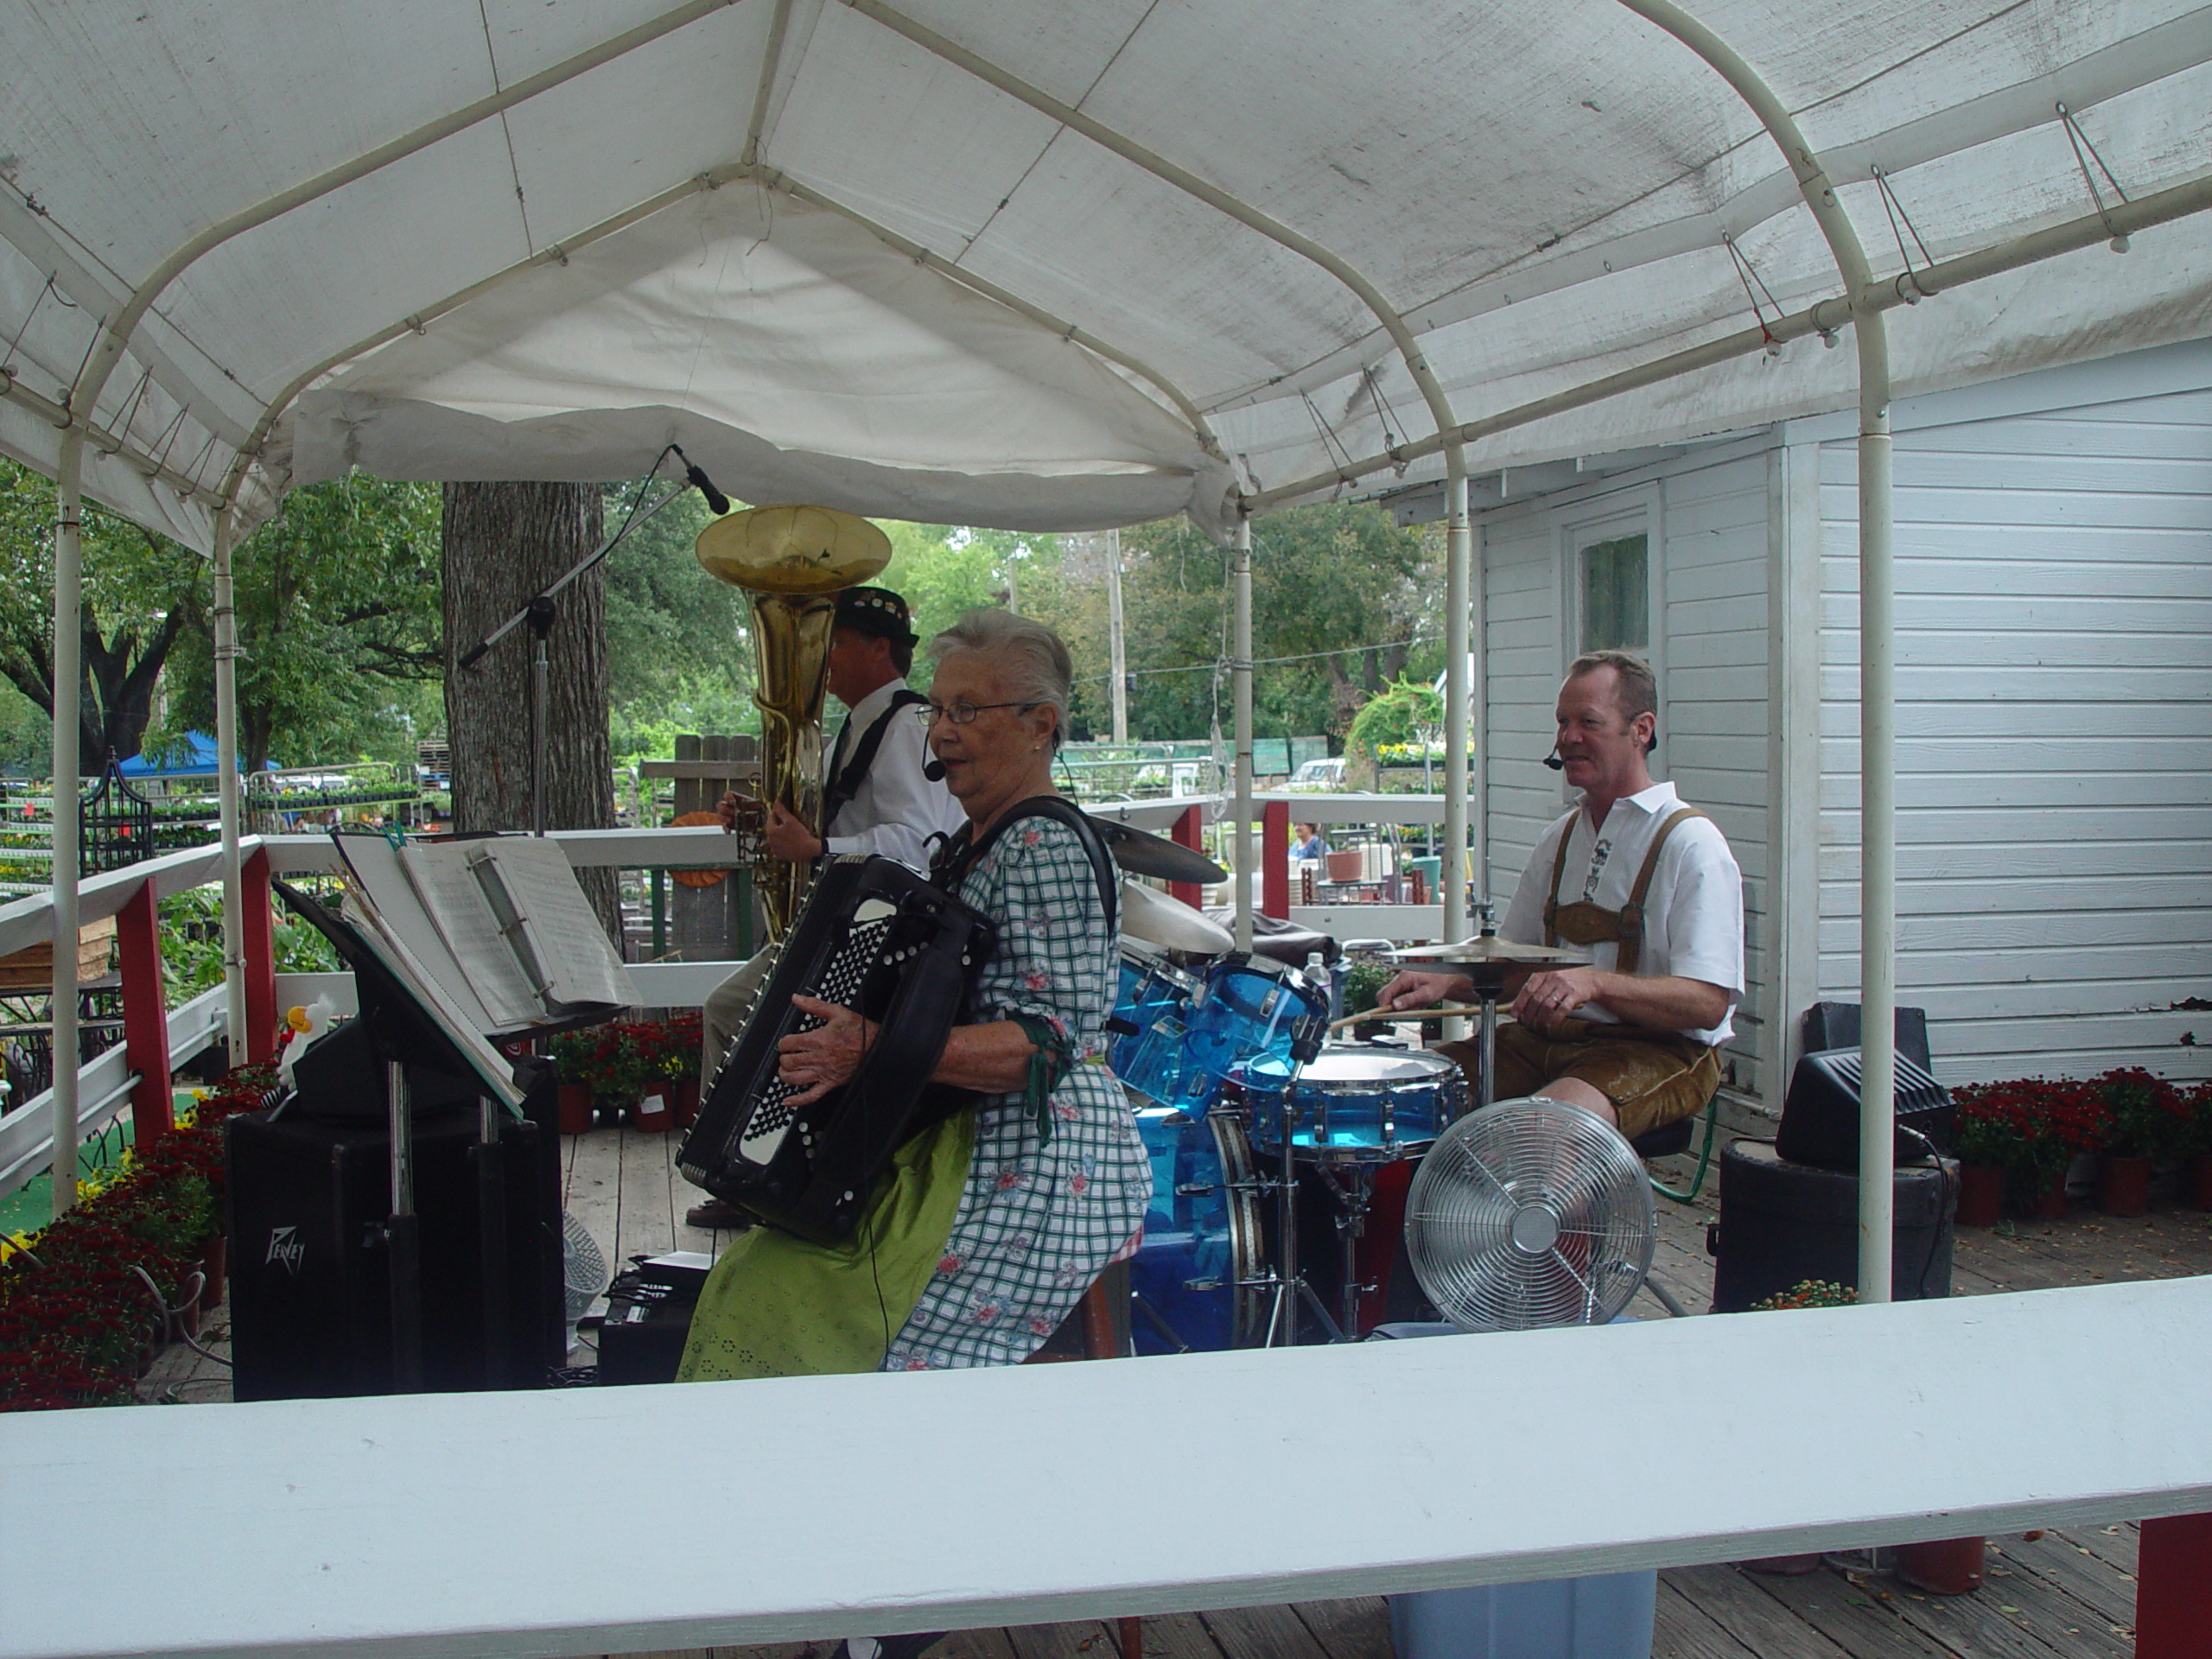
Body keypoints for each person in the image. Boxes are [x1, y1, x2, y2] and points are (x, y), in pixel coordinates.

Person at [677, 607, 1150, 1382]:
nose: (941, 733)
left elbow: (1046, 1043)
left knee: (782, 1288)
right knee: (762, 1270)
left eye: (968, 711)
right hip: (977, 1138)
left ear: (1041, 725)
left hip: (1042, 1162)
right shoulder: (981, 839)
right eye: (938, 709)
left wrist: (873, 1047)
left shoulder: (1044, 842)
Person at [685, 585, 963, 1230]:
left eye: (833, 643)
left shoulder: (903, 725)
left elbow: (918, 843)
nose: (822, 658)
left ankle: (741, 1166)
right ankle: (750, 1163)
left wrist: (817, 846)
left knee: (731, 1009)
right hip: (847, 917)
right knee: (736, 1011)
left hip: (871, 932)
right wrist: (768, 820)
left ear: (878, 649)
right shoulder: (866, 723)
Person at [1377, 650, 1742, 1140]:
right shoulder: (1560, 839)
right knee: (1397, 1096)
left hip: (1658, 1053)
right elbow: (1512, 974)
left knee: (1543, 1128)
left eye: (1588, 722)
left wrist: (1595, 984)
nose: (1568, 737)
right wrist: (1448, 981)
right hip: (1543, 1042)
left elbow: (1707, 1003)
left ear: (1642, 729)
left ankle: (1544, 1218)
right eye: (1563, 721)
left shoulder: (1690, 843)